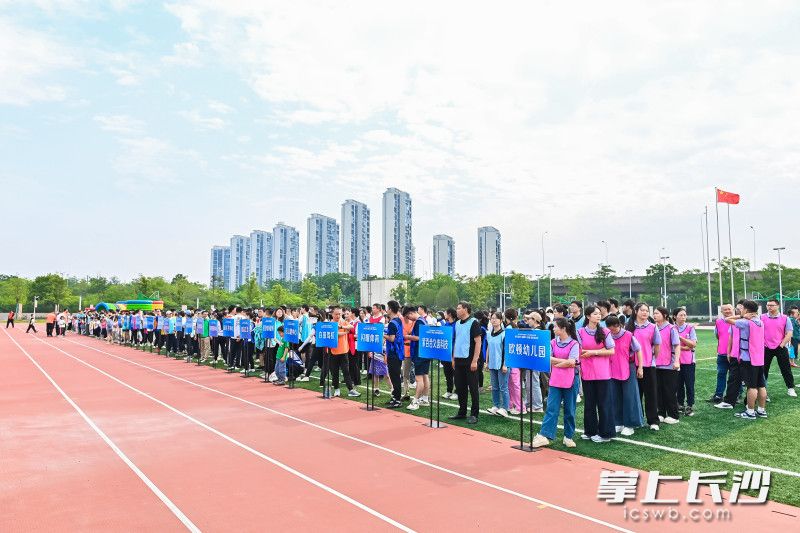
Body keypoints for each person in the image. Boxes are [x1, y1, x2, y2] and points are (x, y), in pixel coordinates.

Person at [533, 317, 580, 448]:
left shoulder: (574, 344)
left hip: (571, 381)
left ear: (563, 328)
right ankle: (545, 435)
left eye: (555, 327)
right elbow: (547, 358)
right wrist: (564, 362)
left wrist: (558, 361)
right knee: (551, 408)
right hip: (556, 380)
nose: (553, 329)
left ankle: (568, 436)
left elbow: (572, 362)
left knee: (570, 410)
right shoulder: (553, 342)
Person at [578, 305, 615, 443]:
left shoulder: (605, 331)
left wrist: (594, 352)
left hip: (603, 373)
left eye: (599, 314)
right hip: (587, 372)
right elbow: (579, 350)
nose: (598, 316)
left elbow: (611, 350)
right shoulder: (580, 332)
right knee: (589, 403)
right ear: (588, 316)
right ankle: (590, 431)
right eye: (595, 314)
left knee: (604, 403)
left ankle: (605, 434)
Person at [726, 300, 768, 419]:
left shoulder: (745, 322)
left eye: (742, 309)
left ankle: (750, 412)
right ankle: (761, 410)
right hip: (759, 358)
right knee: (761, 385)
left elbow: (727, 320)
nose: (740, 310)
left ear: (746, 310)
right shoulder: (760, 321)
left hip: (748, 359)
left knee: (752, 386)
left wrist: (741, 316)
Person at [626, 303, 662, 430]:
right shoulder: (628, 327)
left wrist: (652, 358)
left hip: (648, 365)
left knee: (651, 394)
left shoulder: (653, 327)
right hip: (631, 365)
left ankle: (653, 421)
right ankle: (637, 419)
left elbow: (657, 346)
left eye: (647, 310)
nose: (645, 313)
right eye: (642, 310)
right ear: (635, 311)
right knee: (635, 394)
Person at [607, 315, 643, 436]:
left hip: (628, 368)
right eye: (610, 329)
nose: (613, 331)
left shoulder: (628, 335)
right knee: (615, 396)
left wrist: (641, 368)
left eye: (615, 328)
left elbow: (638, 350)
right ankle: (618, 422)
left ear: (619, 325)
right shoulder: (607, 336)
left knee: (630, 397)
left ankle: (630, 424)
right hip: (612, 369)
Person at [449, 301, 482, 424]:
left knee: (473, 388)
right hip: (458, 360)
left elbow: (478, 342)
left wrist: (475, 361)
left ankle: (474, 414)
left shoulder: (474, 323)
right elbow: (457, 341)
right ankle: (462, 412)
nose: (456, 310)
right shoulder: (457, 323)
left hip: (470, 361)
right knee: (460, 387)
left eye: (458, 308)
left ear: (466, 309)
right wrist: (453, 358)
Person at [761, 299, 797, 397]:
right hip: (765, 347)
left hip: (780, 347)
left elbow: (789, 333)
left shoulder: (785, 318)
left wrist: (782, 344)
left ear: (777, 306)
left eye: (772, 305)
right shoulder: (762, 317)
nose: (769, 307)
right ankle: (763, 392)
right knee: (763, 370)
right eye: (768, 305)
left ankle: (791, 388)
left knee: (786, 369)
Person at [654, 306, 680, 424]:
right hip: (655, 364)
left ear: (664, 315)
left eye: (657, 313)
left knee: (669, 390)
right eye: (654, 313)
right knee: (658, 390)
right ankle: (661, 413)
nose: (654, 316)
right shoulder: (653, 328)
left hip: (669, 364)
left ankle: (673, 415)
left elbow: (677, 345)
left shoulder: (671, 328)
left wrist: (677, 361)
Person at [329, 306, 360, 398]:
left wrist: (342, 327)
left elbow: (351, 326)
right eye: (336, 314)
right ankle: (337, 389)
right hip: (333, 351)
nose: (338, 316)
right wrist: (346, 332)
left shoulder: (343, 321)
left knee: (346, 371)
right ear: (332, 314)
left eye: (339, 314)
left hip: (344, 350)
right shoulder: (330, 324)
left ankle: (350, 390)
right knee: (335, 372)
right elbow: (336, 334)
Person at [405, 307, 430, 411]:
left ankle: (416, 401)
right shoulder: (423, 320)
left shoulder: (419, 322)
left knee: (419, 379)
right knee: (425, 376)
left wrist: (406, 336)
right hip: (424, 352)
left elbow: (419, 337)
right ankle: (425, 398)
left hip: (419, 353)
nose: (409, 319)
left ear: (411, 313)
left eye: (408, 316)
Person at [710, 304, 735, 403]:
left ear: (733, 309)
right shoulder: (718, 322)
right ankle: (718, 395)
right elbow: (718, 335)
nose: (728, 311)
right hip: (722, 353)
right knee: (721, 374)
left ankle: (736, 394)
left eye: (729, 309)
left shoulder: (737, 321)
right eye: (725, 310)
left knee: (735, 376)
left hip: (734, 354)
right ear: (722, 312)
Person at [485, 311, 509, 417]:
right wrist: (486, 362)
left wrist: (505, 364)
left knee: (503, 387)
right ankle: (495, 406)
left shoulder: (504, 334)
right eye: (492, 318)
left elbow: (507, 350)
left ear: (500, 320)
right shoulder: (489, 333)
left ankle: (505, 408)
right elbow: (488, 348)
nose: (493, 320)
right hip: (492, 363)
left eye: (496, 318)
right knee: (494, 387)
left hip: (501, 364)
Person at [383, 300, 404, 408]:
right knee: (395, 376)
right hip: (398, 351)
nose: (387, 309)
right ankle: (395, 397)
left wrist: (382, 334)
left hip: (394, 352)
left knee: (395, 376)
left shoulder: (392, 323)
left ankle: (397, 399)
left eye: (388, 307)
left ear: (390, 309)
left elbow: (391, 338)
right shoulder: (398, 320)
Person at [504, 308, 526, 416]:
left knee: (514, 384)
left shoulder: (509, 328)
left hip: (512, 359)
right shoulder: (515, 327)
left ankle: (520, 407)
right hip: (515, 359)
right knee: (512, 384)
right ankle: (512, 405)